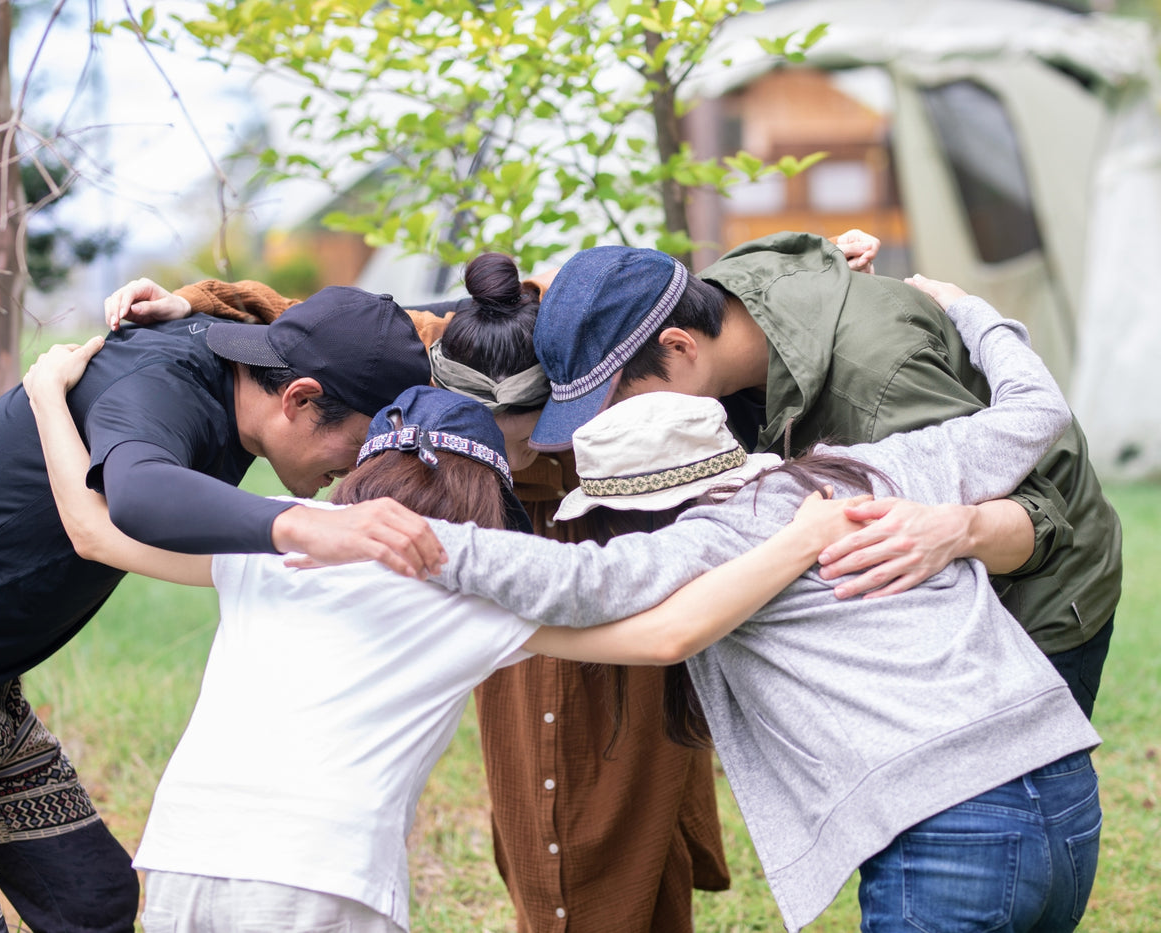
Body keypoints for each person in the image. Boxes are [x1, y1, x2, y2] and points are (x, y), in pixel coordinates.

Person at [98, 234, 879, 933]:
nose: (519, 454)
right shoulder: (441, 364)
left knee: (631, 800)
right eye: (499, 444)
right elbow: (332, 328)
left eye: (534, 436)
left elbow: (664, 307)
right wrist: (199, 306)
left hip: (611, 548)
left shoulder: (574, 346)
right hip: (477, 560)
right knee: (541, 814)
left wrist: (812, 279)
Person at [426, 278, 1103, 932]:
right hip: (1066, 793)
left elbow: (580, 580)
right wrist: (970, 310)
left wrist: (416, 545)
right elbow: (1036, 413)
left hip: (946, 828)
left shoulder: (709, 537)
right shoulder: (867, 466)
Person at [0, 287, 441, 931]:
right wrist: (304, 525)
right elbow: (137, 495)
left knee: (92, 899)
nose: (357, 473)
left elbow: (390, 321)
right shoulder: (160, 384)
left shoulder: (259, 360)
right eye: (361, 445)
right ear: (300, 397)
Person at [522, 234, 1121, 716]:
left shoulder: (876, 381)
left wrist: (956, 529)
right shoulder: (720, 294)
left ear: (679, 346)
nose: (607, 423)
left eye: (612, 401)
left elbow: (1042, 521)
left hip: (1036, 594)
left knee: (1010, 813)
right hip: (913, 597)